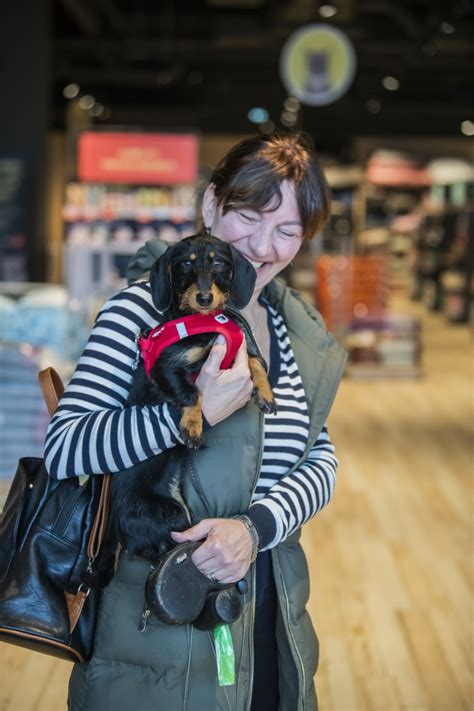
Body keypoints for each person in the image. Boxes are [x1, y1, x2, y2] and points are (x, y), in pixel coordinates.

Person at [44, 131, 347, 711]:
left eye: (287, 232)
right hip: (155, 634)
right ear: (211, 207)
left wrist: (255, 529)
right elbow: (66, 446)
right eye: (249, 218)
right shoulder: (138, 314)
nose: (262, 247)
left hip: (268, 620)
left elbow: (320, 459)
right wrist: (190, 415)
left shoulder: (288, 332)